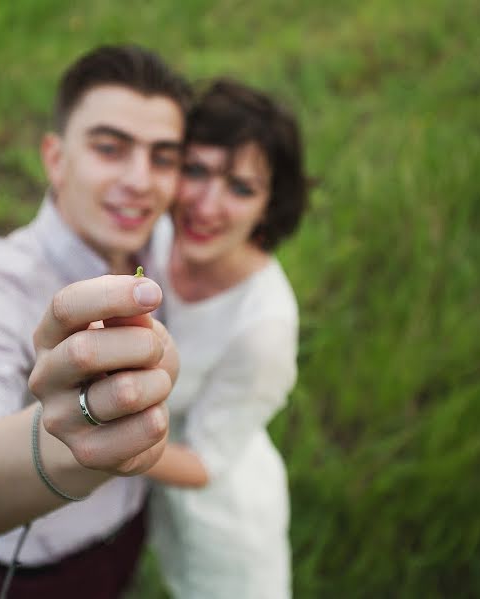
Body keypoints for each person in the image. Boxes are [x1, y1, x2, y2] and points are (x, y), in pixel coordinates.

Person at [0, 45, 190, 598]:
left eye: (164, 158)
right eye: (110, 148)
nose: (142, 181)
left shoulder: (166, 246)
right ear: (55, 158)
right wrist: (67, 440)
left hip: (129, 534)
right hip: (42, 572)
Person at [142, 79, 310, 598]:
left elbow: (205, 465)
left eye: (240, 188)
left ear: (270, 205)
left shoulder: (265, 331)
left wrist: (103, 445)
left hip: (221, 521)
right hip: (151, 490)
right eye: (195, 170)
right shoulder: (161, 232)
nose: (205, 205)